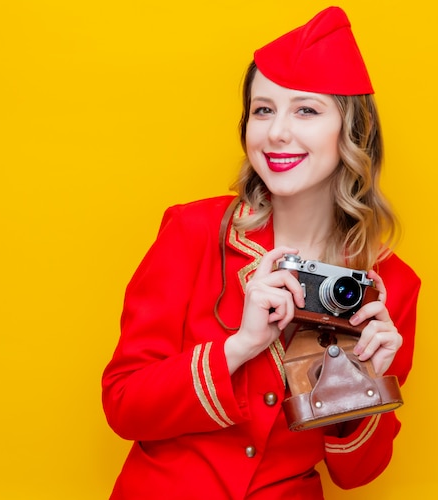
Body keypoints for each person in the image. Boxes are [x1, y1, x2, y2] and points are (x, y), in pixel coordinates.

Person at [102, 6, 421, 499]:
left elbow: (356, 476)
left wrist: (365, 384)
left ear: (352, 133)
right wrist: (240, 346)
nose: (276, 132)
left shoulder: (387, 285)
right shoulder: (194, 231)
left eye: (306, 110)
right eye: (263, 109)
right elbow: (123, 404)